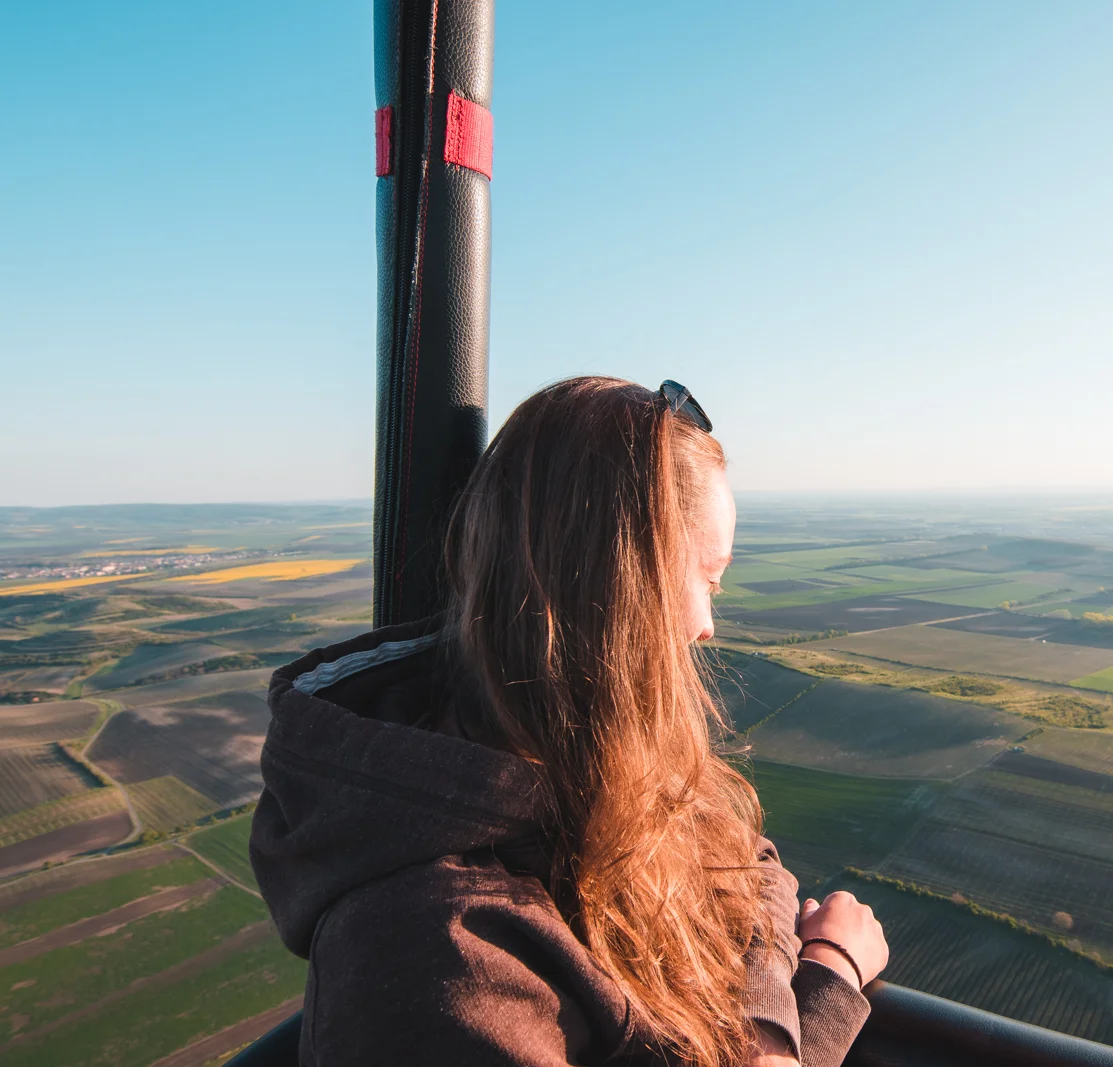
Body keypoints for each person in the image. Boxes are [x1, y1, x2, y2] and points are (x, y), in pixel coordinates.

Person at [250, 376, 888, 1066]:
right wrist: (820, 987)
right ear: (618, 603)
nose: (708, 625)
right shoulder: (438, 958)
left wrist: (762, 1018)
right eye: (708, 579)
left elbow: (748, 865)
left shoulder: (597, 781)